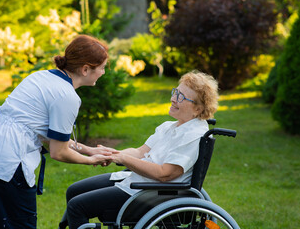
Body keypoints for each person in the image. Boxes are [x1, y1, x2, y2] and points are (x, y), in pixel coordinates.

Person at [0, 34, 117, 229]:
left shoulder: (41, 76)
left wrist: (89, 150)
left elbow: (43, 132)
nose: (103, 72)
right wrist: (91, 160)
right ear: (85, 69)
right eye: (102, 67)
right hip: (7, 167)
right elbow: (58, 151)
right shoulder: (67, 96)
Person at [60, 71, 219, 229]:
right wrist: (113, 153)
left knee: (76, 206)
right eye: (175, 92)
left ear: (197, 109)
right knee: (74, 190)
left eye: (181, 97)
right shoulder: (169, 127)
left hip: (154, 193)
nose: (172, 99)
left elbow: (165, 174)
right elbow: (139, 152)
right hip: (141, 182)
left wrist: (122, 159)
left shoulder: (193, 135)